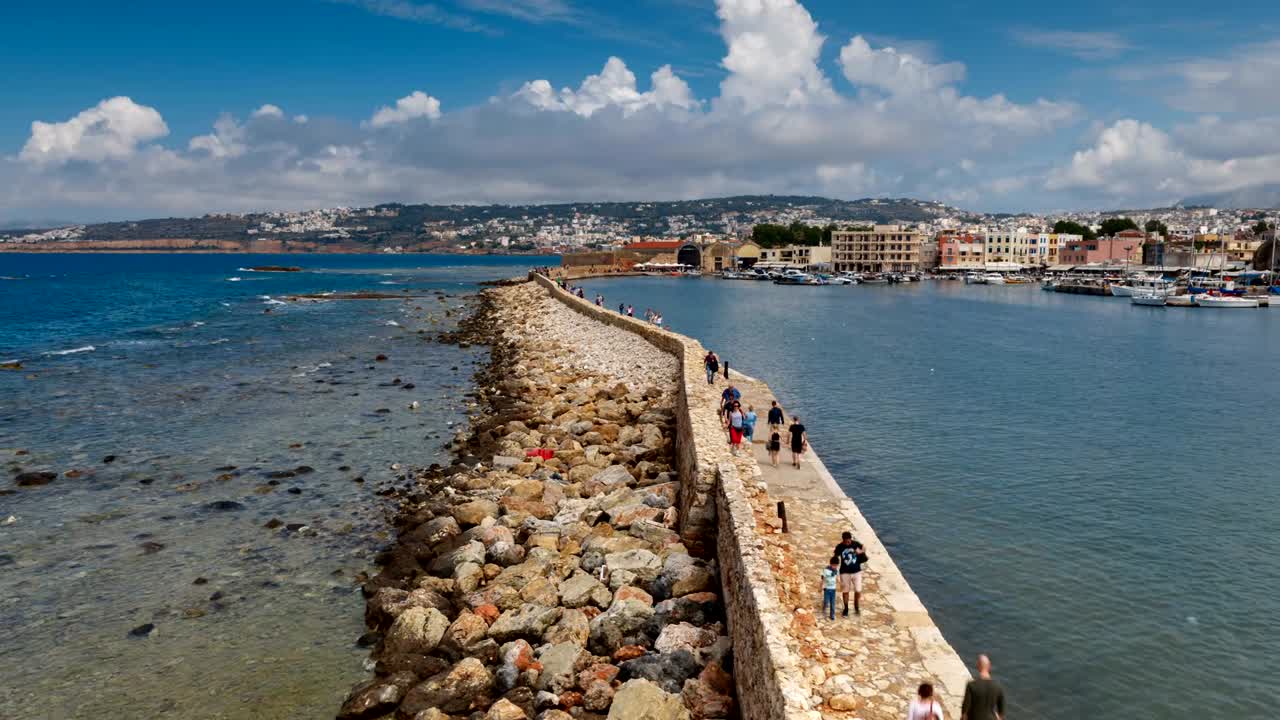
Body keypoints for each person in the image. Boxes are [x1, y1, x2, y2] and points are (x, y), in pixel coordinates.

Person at [832, 530, 867, 616]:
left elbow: (864, 547)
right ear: (843, 540)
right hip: (845, 572)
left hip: (856, 571)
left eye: (849, 540)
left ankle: (856, 606)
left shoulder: (855, 543)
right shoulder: (839, 547)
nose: (848, 542)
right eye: (847, 541)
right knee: (845, 591)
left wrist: (861, 551)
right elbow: (835, 556)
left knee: (858, 590)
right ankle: (846, 608)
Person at [961, 655, 1005, 720]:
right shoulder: (998, 687)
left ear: (978, 666)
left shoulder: (971, 685)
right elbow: (1001, 713)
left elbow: (965, 711)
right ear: (989, 666)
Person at [820, 556, 839, 621]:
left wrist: (840, 584)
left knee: (833, 603)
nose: (834, 567)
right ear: (830, 564)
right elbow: (823, 579)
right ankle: (824, 609)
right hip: (827, 589)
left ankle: (832, 615)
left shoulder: (836, 570)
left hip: (833, 589)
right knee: (826, 601)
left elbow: (837, 577)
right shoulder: (826, 570)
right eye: (833, 565)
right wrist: (821, 587)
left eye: (836, 565)